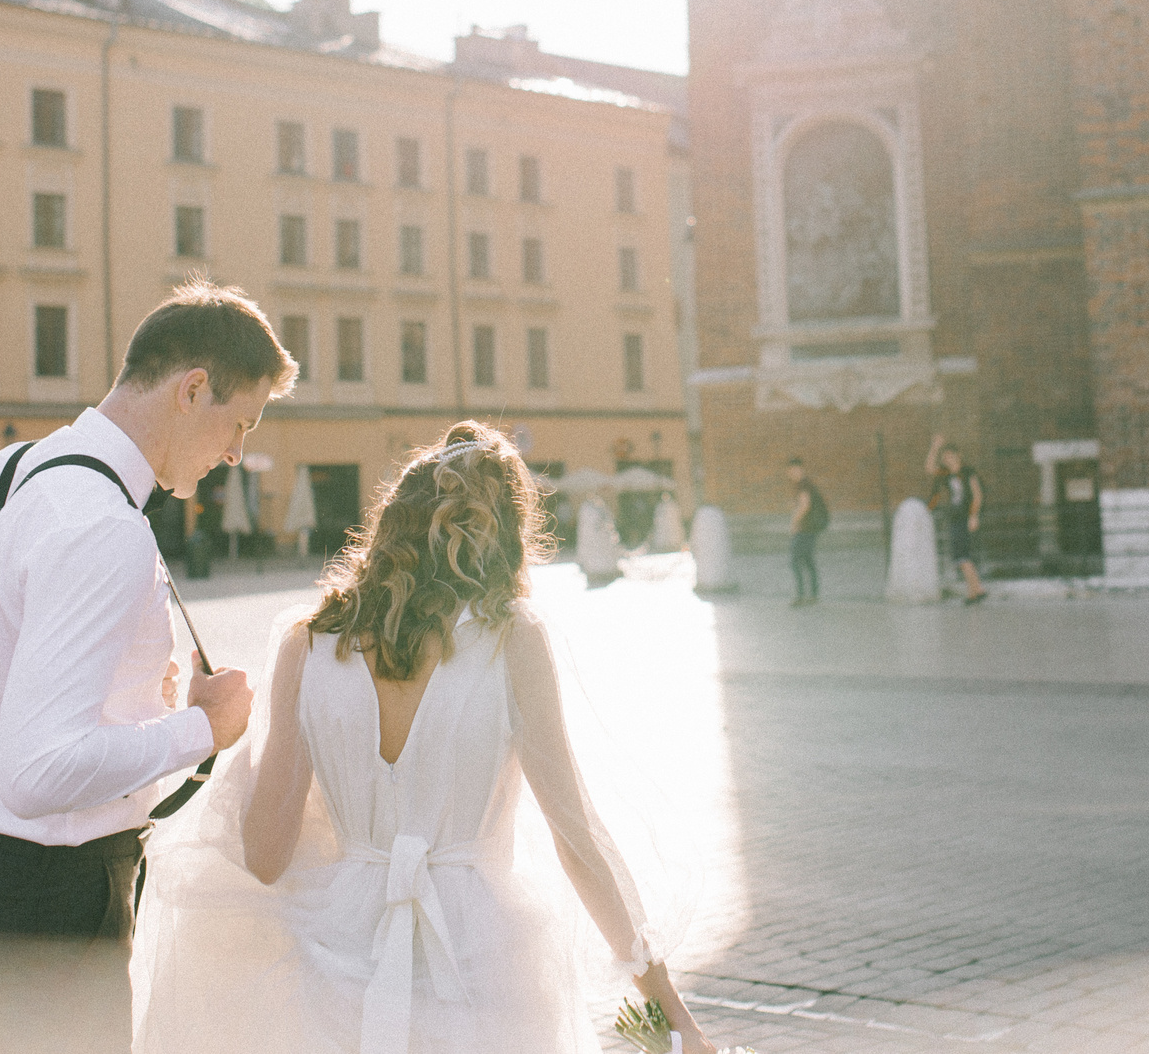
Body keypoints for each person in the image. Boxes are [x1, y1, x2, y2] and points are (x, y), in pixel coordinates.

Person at [138, 422, 720, 1054]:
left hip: (333, 957)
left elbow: (266, 856)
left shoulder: (307, 642)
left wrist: (222, 726)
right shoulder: (512, 638)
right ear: (502, 538)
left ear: (391, 525)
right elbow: (575, 837)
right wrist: (669, 1010)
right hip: (482, 964)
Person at [0, 280, 294, 1054]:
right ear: (192, 389)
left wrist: (92, 697)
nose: (236, 452)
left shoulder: (8, 470)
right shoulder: (104, 527)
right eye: (239, 422)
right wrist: (201, 727)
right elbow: (39, 771)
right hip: (56, 897)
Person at [927, 435, 986, 605]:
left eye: (950, 456)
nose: (947, 460)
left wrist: (974, 516)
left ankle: (976, 591)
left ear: (958, 455)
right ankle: (976, 590)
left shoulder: (968, 472)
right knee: (961, 556)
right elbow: (929, 468)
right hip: (955, 518)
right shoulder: (945, 474)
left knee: (962, 555)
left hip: (966, 518)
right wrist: (935, 447)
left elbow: (977, 495)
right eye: (945, 458)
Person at [787, 459, 827, 607]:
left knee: (795, 560)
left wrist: (794, 523)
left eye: (794, 470)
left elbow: (804, 505)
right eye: (791, 471)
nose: (792, 474)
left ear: (801, 470)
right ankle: (813, 595)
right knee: (808, 560)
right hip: (811, 528)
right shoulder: (805, 484)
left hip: (805, 529)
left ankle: (800, 596)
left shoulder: (803, 485)